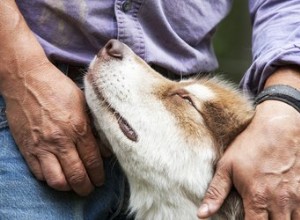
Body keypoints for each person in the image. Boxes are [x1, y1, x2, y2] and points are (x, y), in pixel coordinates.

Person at [0, 0, 299, 219]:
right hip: (29, 113)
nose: (115, 48)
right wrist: (21, 69)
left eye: (184, 101)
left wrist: (285, 102)